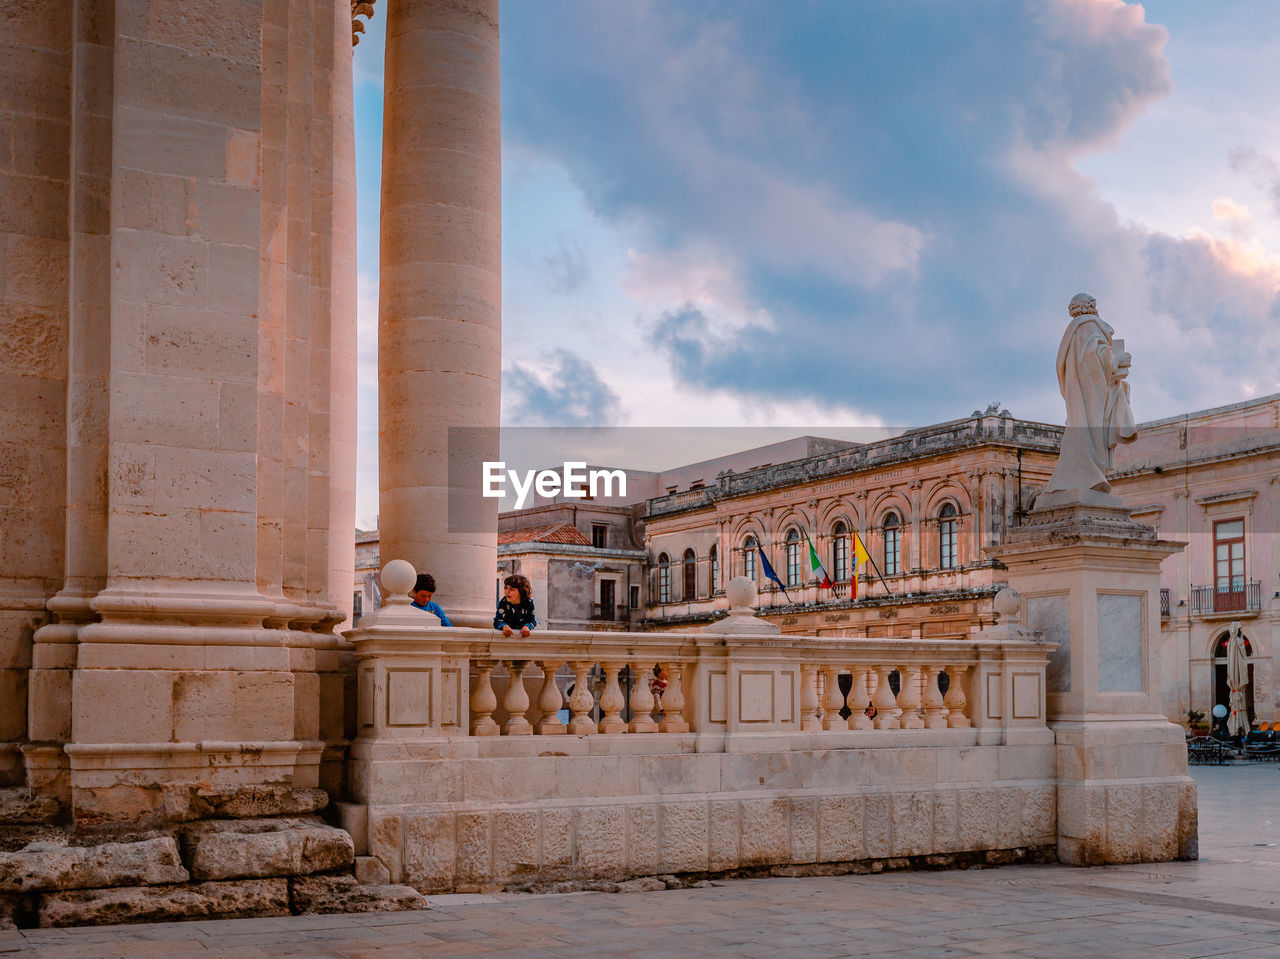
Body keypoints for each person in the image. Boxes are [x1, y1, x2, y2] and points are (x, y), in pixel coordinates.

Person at [1041, 293, 1136, 498]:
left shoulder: (1072, 332)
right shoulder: (1089, 327)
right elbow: (1093, 359)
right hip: (1090, 394)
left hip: (1080, 393)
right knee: (1090, 436)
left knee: (1080, 434)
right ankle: (1090, 477)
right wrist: (1117, 359)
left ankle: (1078, 478)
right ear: (1092, 306)